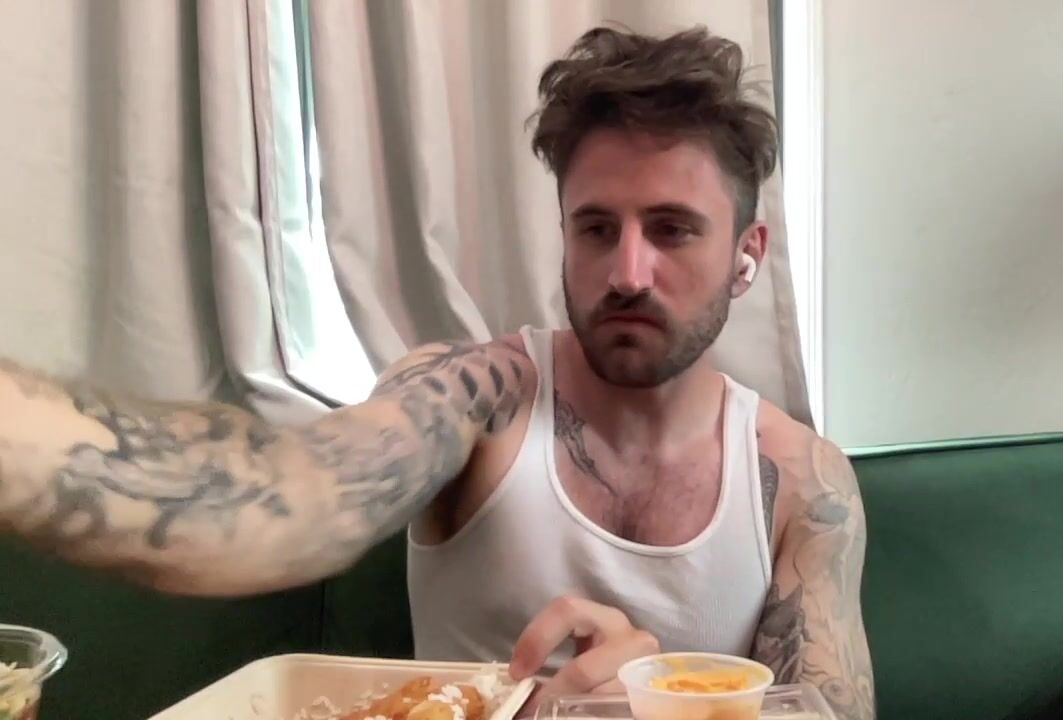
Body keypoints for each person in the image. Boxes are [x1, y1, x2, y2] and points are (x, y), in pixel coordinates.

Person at [0, 25, 874, 720]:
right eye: (596, 228)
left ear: (748, 254)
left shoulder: (803, 480)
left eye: (673, 229)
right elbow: (272, 499)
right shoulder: (481, 399)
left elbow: (831, 709)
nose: (627, 272)